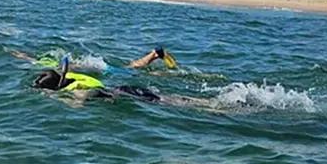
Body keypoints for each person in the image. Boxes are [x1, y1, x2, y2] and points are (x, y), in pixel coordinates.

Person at [31, 58, 210, 108]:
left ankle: (215, 108)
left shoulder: (75, 88)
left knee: (172, 103)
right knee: (170, 98)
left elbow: (82, 100)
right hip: (124, 88)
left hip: (125, 94)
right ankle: (208, 103)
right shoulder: (73, 77)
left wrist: (60, 99)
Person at [10, 45, 177, 73]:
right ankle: (155, 55)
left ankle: (155, 53)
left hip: (100, 68)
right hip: (95, 64)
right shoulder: (50, 63)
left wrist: (21, 56)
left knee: (131, 70)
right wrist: (21, 55)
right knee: (131, 66)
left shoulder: (51, 65)